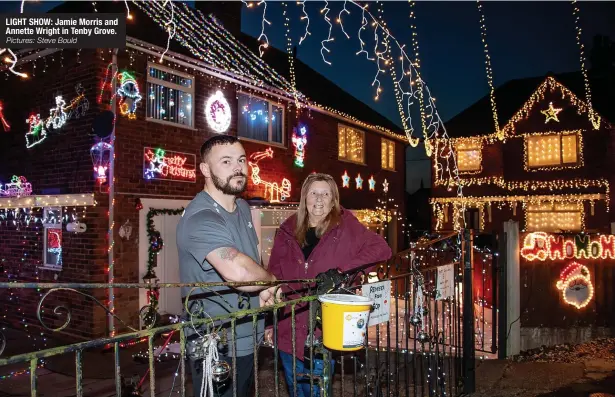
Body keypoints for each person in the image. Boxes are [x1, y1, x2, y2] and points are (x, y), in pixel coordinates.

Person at [265, 173, 392, 397]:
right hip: (288, 326)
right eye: (314, 193)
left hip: (321, 328)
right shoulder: (287, 230)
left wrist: (342, 273)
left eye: (326, 194)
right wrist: (269, 323)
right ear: (305, 198)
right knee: (296, 389)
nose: (319, 199)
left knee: (317, 391)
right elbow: (274, 276)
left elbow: (381, 249)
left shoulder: (346, 227)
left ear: (334, 199)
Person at [177, 135, 278, 397]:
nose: (238, 167)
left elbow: (253, 261)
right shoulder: (202, 218)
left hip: (247, 336)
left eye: (241, 160)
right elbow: (240, 273)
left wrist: (264, 290)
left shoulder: (242, 207)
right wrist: (271, 281)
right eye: (226, 161)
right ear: (205, 170)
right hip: (216, 345)